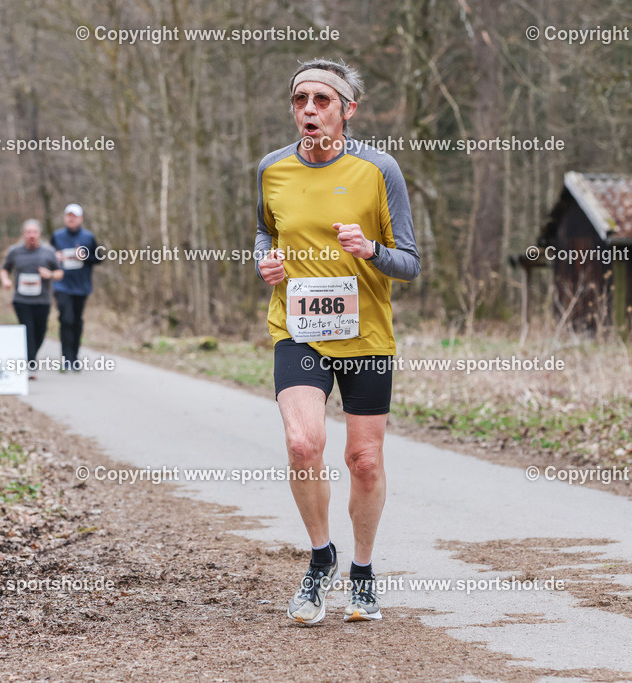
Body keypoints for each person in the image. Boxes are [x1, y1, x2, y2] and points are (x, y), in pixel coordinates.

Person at [254, 58, 420, 624]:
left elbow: (410, 263)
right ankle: (321, 557)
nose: (309, 109)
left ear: (348, 109)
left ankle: (363, 573)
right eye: (300, 99)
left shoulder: (379, 169)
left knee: (363, 460)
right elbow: (266, 231)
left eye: (322, 100)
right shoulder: (272, 168)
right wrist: (265, 261)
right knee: (303, 443)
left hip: (365, 334)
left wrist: (370, 250)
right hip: (298, 330)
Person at [0, 219, 62, 380]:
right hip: (22, 300)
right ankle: (31, 365)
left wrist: (50, 274)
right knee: (28, 331)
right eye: (28, 232)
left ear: (39, 234)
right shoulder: (15, 252)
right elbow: (4, 269)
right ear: (23, 234)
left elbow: (60, 273)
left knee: (40, 333)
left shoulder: (48, 252)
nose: (31, 235)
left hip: (42, 301)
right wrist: (5, 280)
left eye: (34, 232)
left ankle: (30, 358)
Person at [51, 204, 101, 372]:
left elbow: (99, 258)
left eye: (74, 216)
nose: (71, 219)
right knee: (66, 319)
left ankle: (75, 357)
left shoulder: (88, 237)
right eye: (68, 216)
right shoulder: (57, 236)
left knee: (76, 321)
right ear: (65, 218)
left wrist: (85, 256)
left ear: (80, 219)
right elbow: (47, 257)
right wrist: (55, 258)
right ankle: (66, 359)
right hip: (62, 285)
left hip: (81, 286)